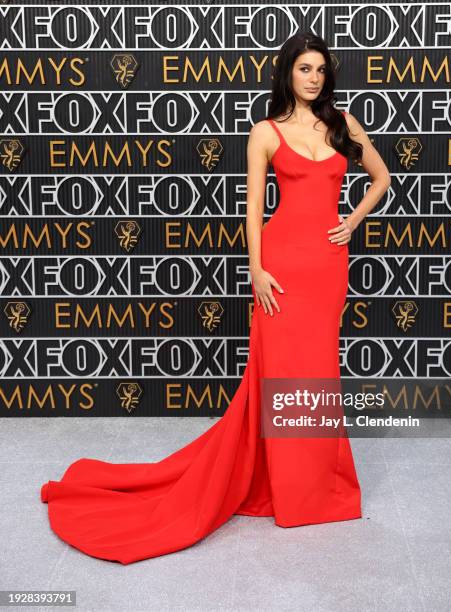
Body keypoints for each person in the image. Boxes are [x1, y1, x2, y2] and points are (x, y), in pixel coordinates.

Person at [40, 32, 391, 565]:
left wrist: (353, 220)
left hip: (328, 268)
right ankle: (288, 490)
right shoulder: (265, 132)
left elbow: (381, 177)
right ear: (286, 74)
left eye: (321, 69)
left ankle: (316, 488)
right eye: (304, 68)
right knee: (279, 377)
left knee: (317, 375)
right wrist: (256, 269)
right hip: (281, 267)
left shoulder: (343, 124)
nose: (314, 77)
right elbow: (252, 209)